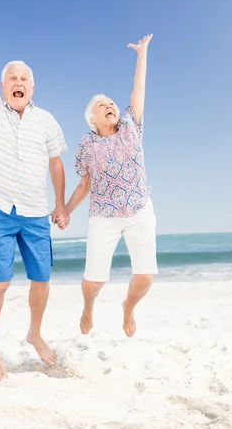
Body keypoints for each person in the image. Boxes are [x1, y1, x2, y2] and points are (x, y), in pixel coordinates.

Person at [0, 0, 69, 380]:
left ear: (33, 86)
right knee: (1, 279)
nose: (18, 83)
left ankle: (34, 333)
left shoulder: (46, 121)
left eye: (25, 78)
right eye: (13, 78)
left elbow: (56, 162)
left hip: (36, 209)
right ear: (3, 85)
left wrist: (61, 205)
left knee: (42, 278)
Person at [57, 34, 158, 338]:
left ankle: (128, 307)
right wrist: (65, 209)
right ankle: (89, 306)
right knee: (93, 283)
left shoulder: (131, 126)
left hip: (140, 209)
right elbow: (84, 183)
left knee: (145, 279)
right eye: (103, 105)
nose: (110, 106)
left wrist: (142, 54)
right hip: (104, 215)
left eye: (111, 103)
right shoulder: (87, 144)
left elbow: (138, 89)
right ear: (93, 118)